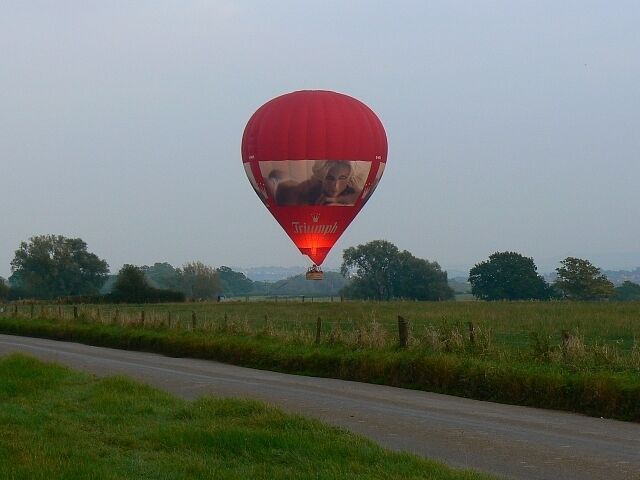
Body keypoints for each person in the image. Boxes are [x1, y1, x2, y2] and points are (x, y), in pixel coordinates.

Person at [273, 160, 362, 206]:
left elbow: (361, 195)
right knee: (276, 175)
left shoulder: (349, 190)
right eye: (330, 178)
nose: (336, 185)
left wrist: (336, 200)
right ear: (322, 178)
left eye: (342, 178)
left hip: (289, 182)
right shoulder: (309, 190)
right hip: (278, 187)